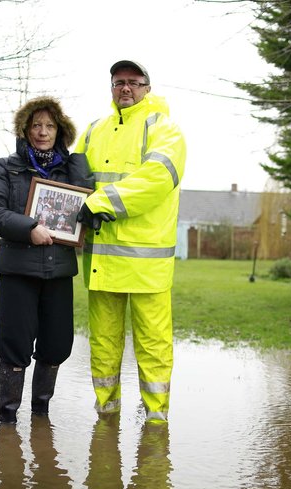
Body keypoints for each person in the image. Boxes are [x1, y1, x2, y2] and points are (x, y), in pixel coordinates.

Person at [74, 60, 187, 424]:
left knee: (153, 345)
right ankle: (106, 412)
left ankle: (156, 419)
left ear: (147, 89)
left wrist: (100, 202)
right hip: (101, 261)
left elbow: (157, 178)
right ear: (111, 88)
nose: (125, 88)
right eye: (119, 82)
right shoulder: (93, 130)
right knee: (103, 344)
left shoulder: (165, 129)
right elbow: (69, 177)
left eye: (134, 82)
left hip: (146, 265)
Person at [0, 96, 93, 424]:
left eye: (50, 126)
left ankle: (41, 417)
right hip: (18, 271)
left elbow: (87, 210)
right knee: (13, 348)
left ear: (60, 131)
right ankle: (8, 421)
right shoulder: (7, 167)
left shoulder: (71, 170)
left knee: (57, 346)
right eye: (36, 125)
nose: (43, 132)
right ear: (26, 130)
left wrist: (82, 179)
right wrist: (29, 229)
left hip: (58, 273)